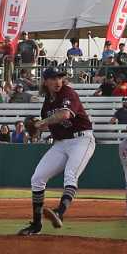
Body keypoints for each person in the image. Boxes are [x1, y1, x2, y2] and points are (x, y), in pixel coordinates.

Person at [18, 66, 95, 235]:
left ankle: (60, 212)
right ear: (45, 81)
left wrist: (40, 123)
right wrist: (35, 128)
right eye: (53, 78)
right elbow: (46, 126)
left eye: (60, 77)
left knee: (70, 175)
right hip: (61, 143)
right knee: (37, 178)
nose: (57, 81)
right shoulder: (47, 104)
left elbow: (65, 115)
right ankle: (36, 225)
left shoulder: (68, 93)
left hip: (82, 140)